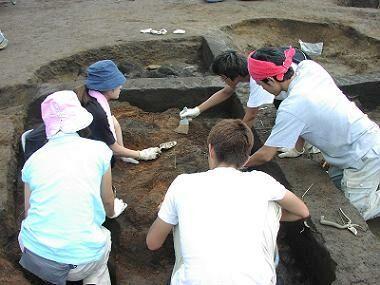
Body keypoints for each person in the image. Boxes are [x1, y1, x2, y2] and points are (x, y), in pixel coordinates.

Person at [146, 119, 309, 285]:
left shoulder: (183, 184)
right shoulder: (262, 182)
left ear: (211, 149)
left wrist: (169, 212)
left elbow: (152, 243)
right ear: (246, 158)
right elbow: (302, 212)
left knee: (177, 214)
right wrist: (265, 215)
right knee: (272, 206)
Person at [244, 47, 380, 220]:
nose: (261, 88)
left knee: (356, 212)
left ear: (270, 80)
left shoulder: (292, 107)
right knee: (335, 186)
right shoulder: (309, 68)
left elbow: (266, 155)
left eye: (260, 83)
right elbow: (307, 117)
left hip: (364, 155)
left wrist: (240, 164)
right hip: (356, 142)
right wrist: (298, 148)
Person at [19, 91, 127, 285]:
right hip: (83, 261)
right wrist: (112, 212)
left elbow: (28, 212)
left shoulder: (32, 162)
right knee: (103, 245)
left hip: (36, 256)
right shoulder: (99, 151)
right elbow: (108, 201)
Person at [23, 60, 161, 164]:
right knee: (108, 161)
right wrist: (141, 154)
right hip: (49, 152)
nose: (121, 86)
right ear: (108, 87)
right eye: (118, 83)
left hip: (44, 137)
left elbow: (112, 121)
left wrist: (124, 153)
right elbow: (112, 148)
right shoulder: (96, 111)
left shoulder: (87, 93)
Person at [179, 49, 310, 158]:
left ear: (229, 76)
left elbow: (250, 117)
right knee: (285, 106)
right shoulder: (251, 64)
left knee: (296, 112)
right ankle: (299, 147)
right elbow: (226, 92)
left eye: (222, 78)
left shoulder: (260, 81)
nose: (223, 81)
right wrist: (197, 110)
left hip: (301, 77)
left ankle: (305, 145)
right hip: (293, 66)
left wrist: (242, 151)